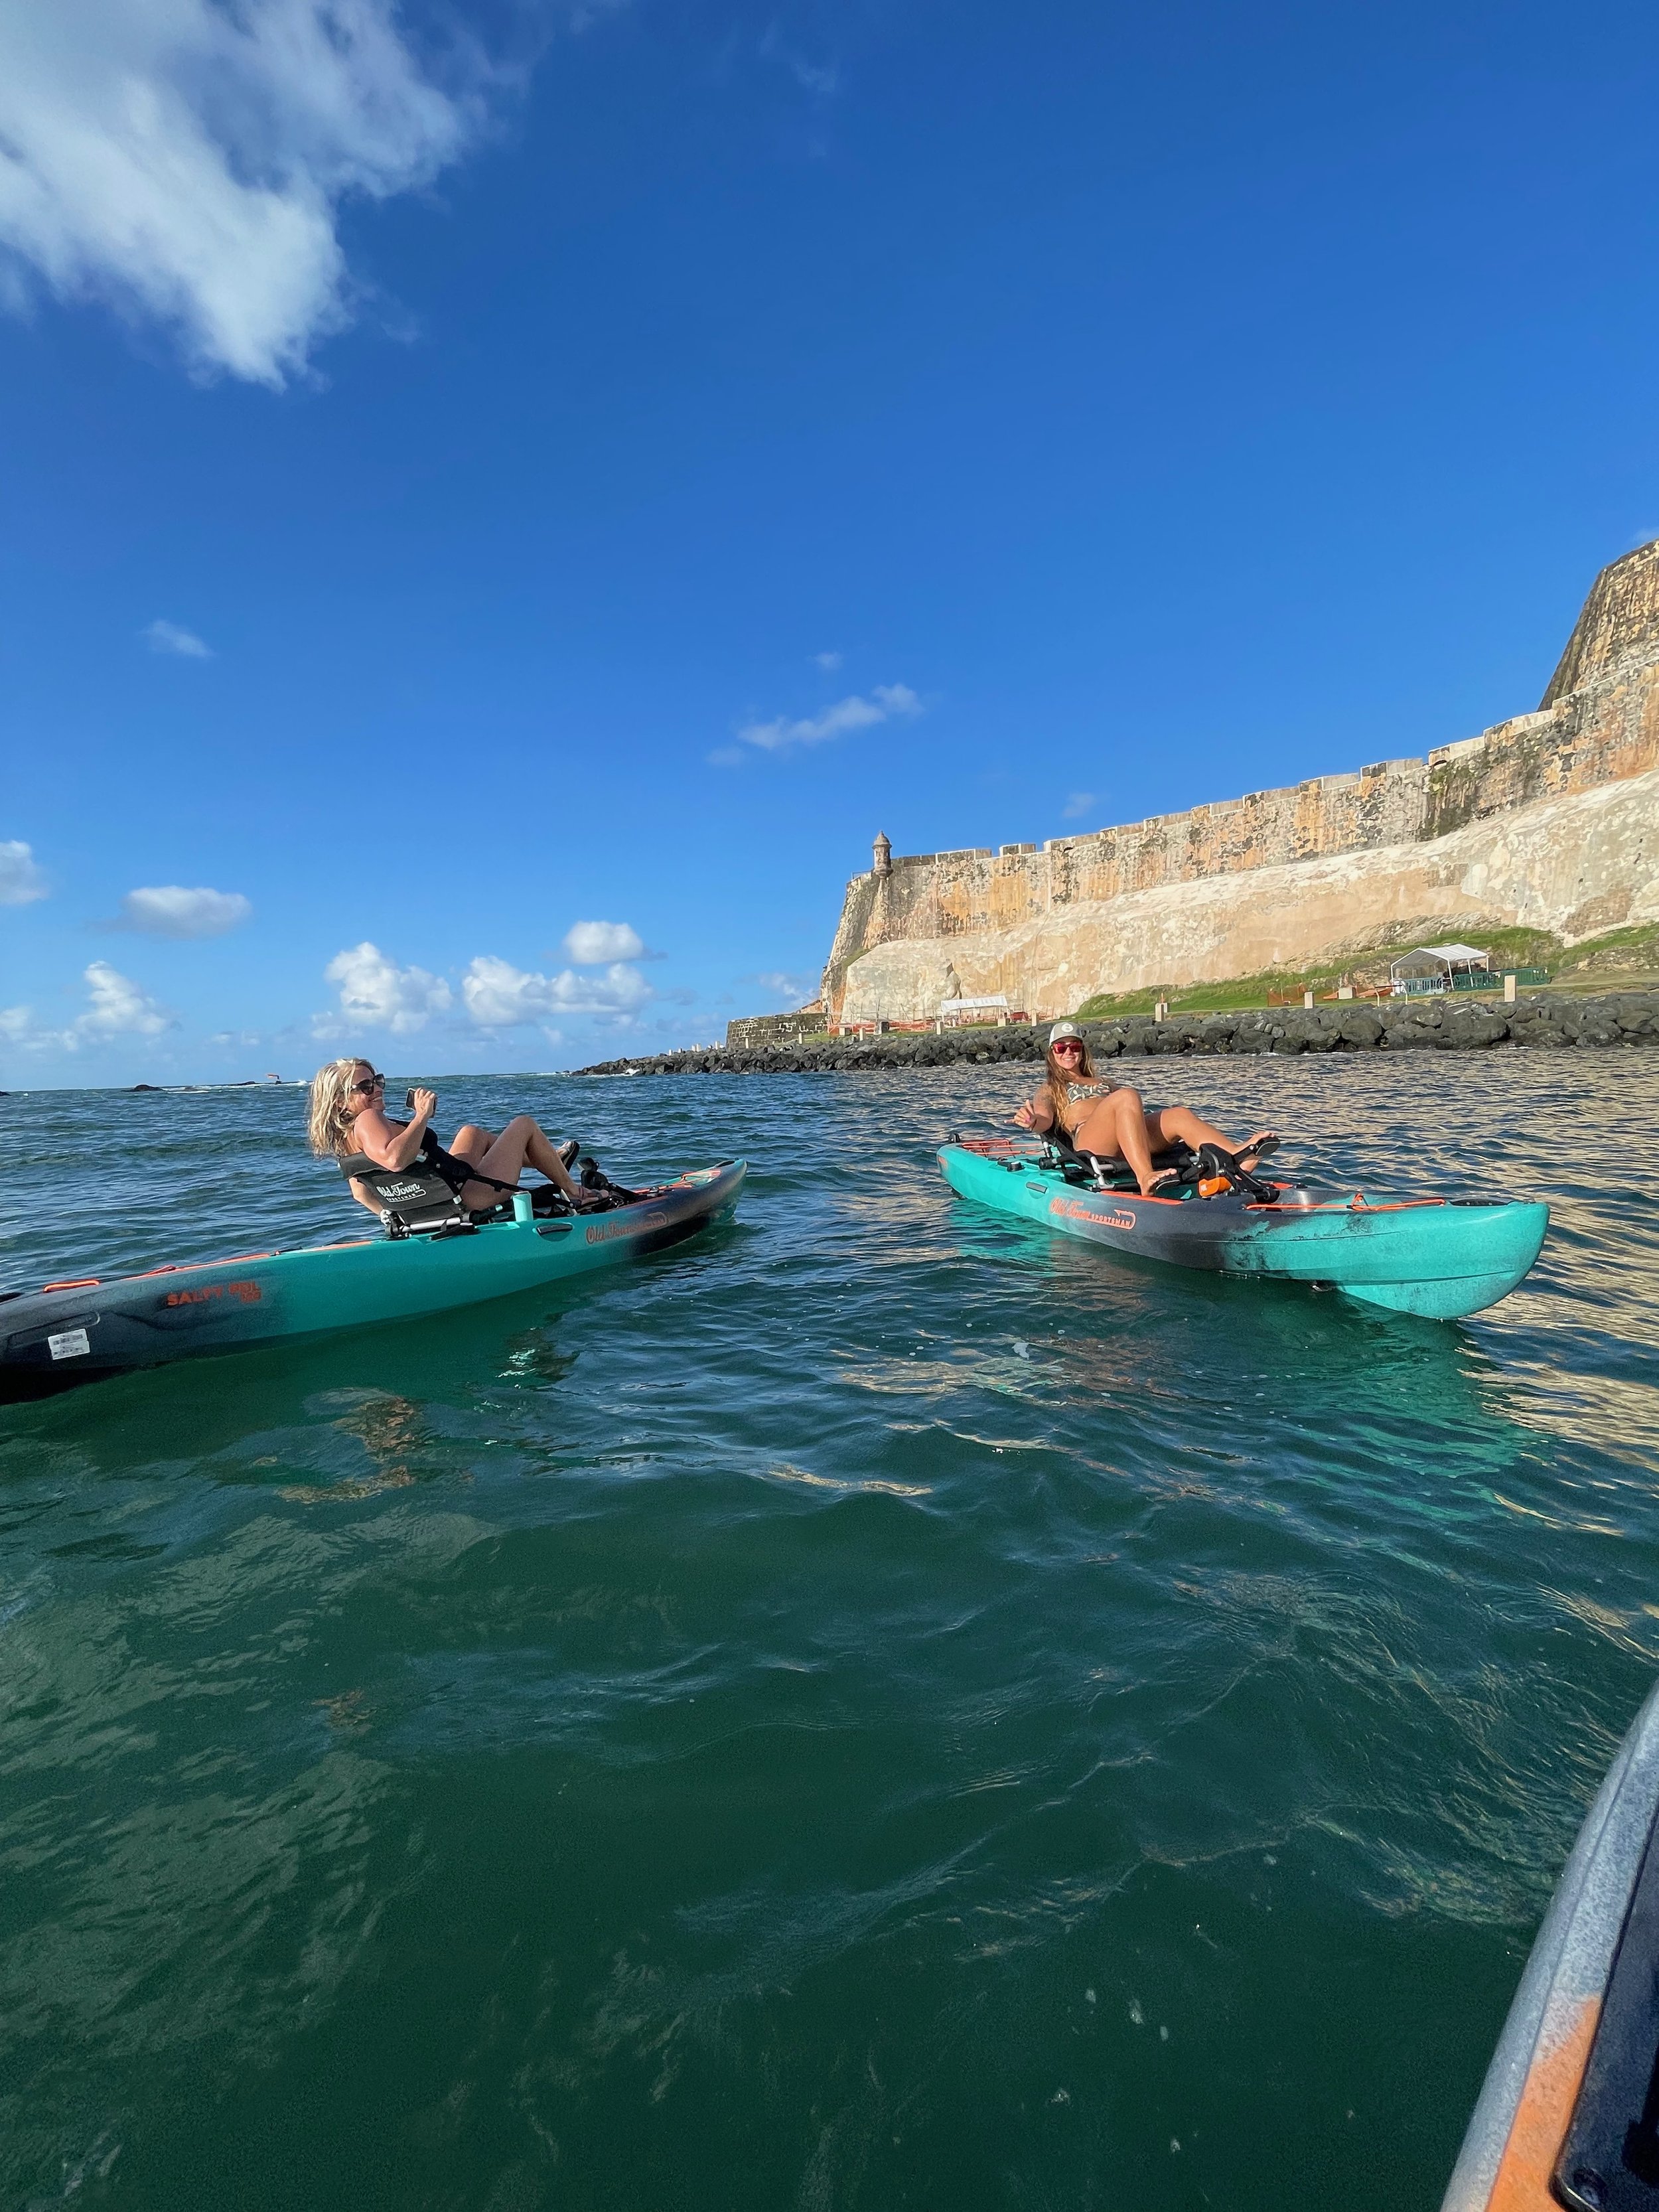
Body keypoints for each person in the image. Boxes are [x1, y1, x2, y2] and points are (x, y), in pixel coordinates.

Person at [308, 1059, 601, 1219]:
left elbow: (361, 1194)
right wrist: (421, 1115)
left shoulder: (344, 1142)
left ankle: (549, 1162)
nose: (377, 1089)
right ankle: (574, 1192)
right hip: (469, 1198)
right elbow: (395, 1159)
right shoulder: (368, 1120)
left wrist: (400, 1219)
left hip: (437, 1200)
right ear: (340, 1102)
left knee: (470, 1133)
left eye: (378, 1081)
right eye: (365, 1086)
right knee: (523, 1125)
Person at [1013, 1021, 1277, 1195]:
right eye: (1061, 1047)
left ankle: (1236, 1157)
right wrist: (1033, 1120)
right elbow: (1045, 1119)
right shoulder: (1049, 1089)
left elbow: (1132, 1114)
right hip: (1093, 1143)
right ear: (1052, 1053)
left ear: (1082, 1051)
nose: (1068, 1052)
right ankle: (1145, 1177)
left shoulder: (1105, 1083)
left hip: (1126, 1135)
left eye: (1074, 1046)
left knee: (1178, 1114)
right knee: (1127, 1096)